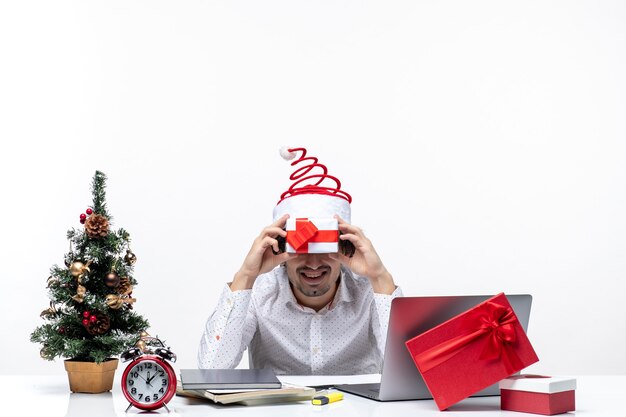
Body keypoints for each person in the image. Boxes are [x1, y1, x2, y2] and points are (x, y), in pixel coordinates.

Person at [197, 147, 402, 375]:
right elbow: (212, 370)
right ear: (281, 246)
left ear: (344, 246)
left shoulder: (369, 291)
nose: (313, 264)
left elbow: (408, 373)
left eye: (324, 248)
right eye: (301, 249)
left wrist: (380, 277)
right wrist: (246, 275)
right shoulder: (260, 293)